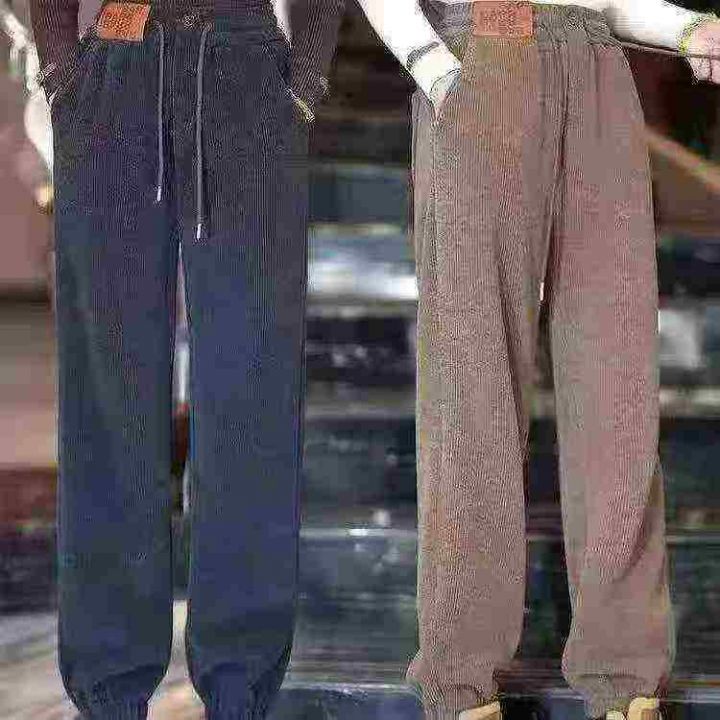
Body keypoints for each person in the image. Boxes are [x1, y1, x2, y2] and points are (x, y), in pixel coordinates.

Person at [345, 1, 720, 720]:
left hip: (597, 67)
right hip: (484, 52)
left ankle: (626, 677)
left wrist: (685, 29)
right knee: (474, 385)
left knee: (617, 388)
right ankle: (462, 683)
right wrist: (429, 62)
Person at [27, 0, 344, 717]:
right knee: (107, 394)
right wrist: (61, 72)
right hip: (114, 71)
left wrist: (305, 82)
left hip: (246, 77)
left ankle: (239, 684)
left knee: (250, 389)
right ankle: (110, 685)